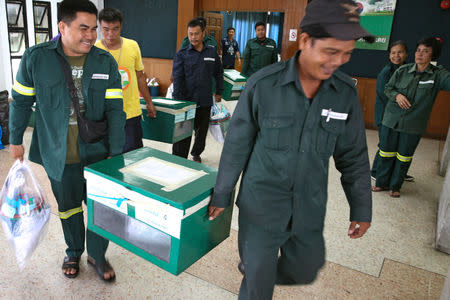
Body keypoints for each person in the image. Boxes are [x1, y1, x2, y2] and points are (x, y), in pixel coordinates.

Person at [208, 0, 374, 299]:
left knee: (305, 269)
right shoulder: (263, 85)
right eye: (331, 51)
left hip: (308, 206)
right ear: (306, 41)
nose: (338, 61)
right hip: (262, 206)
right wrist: (222, 192)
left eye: (346, 53)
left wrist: (361, 207)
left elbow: (354, 157)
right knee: (258, 285)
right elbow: (237, 145)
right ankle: (257, 268)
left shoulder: (344, 94)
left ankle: (257, 266)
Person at [9, 0, 125, 281]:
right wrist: (15, 138)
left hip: (97, 153)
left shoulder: (104, 61)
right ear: (62, 27)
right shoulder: (36, 58)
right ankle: (73, 250)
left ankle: (97, 254)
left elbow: (115, 109)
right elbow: (21, 102)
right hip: (57, 152)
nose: (90, 35)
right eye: (82, 28)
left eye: (93, 29)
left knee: (100, 207)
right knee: (69, 207)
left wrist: (117, 152)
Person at [373, 37, 450, 197]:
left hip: (413, 125)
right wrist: (397, 96)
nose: (420, 54)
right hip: (391, 120)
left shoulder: (437, 75)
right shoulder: (402, 70)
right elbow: (388, 88)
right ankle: (381, 183)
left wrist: (441, 69)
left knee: (403, 157)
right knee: (386, 152)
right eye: (418, 50)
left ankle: (395, 186)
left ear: (433, 55)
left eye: (426, 51)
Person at [95, 7, 156, 153]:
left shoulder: (132, 46)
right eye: (105, 29)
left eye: (115, 29)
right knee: (109, 155)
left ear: (121, 26)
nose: (110, 34)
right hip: (105, 114)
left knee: (134, 154)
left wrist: (149, 103)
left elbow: (140, 77)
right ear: (100, 28)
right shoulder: (94, 50)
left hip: (131, 112)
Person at [171, 18, 223, 163]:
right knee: (183, 133)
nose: (193, 37)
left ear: (203, 34)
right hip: (187, 101)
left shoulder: (212, 52)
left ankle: (196, 153)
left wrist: (219, 91)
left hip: (205, 100)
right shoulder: (182, 54)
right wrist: (178, 103)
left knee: (201, 133)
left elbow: (218, 72)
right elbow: (178, 78)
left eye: (196, 34)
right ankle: (179, 160)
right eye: (190, 34)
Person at [370, 41, 414, 181]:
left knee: (398, 145)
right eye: (393, 52)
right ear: (389, 55)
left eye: (400, 52)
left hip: (401, 116)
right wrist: (399, 98)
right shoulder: (386, 72)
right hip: (385, 116)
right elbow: (385, 94)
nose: (396, 55)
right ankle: (376, 171)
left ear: (406, 54)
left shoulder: (409, 69)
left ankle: (396, 172)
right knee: (385, 144)